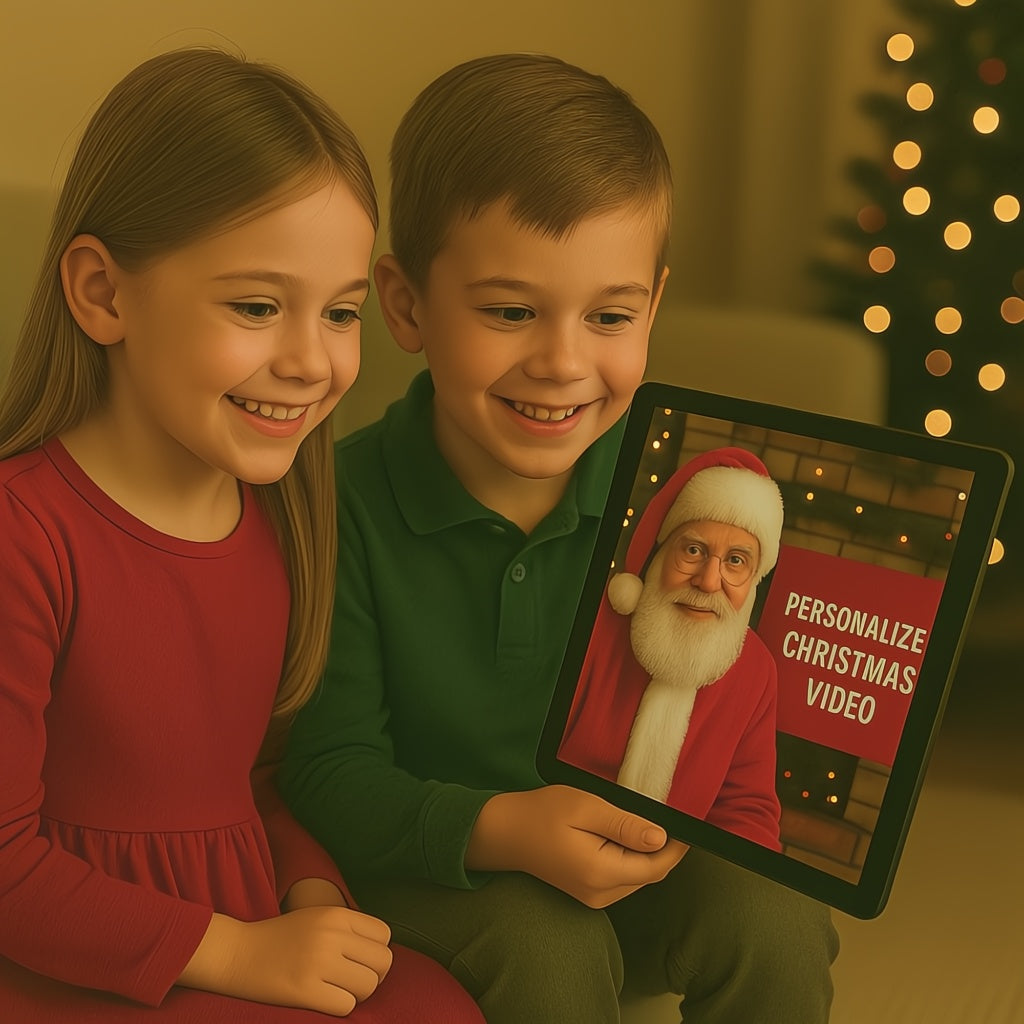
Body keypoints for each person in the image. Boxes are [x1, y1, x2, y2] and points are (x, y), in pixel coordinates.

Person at [280, 53, 838, 1024]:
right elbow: (328, 774)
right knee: (547, 946)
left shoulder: (684, 504)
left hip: (643, 855)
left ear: (653, 306)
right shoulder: (339, 502)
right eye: (510, 311)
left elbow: (738, 705)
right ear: (406, 306)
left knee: (777, 916)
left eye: (609, 316)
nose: (563, 362)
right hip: (442, 873)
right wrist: (503, 829)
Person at [0, 48, 483, 1023]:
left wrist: (308, 891)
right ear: (102, 293)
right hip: (73, 957)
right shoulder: (23, 535)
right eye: (257, 306)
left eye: (341, 312)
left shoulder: (287, 518)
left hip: (245, 922)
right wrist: (238, 953)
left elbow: (258, 778)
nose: (310, 360)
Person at [559, 446, 785, 850]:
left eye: (735, 561)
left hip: (674, 867)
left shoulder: (756, 670)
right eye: (694, 550)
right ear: (659, 554)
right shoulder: (592, 621)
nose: (709, 581)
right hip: (555, 840)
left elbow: (747, 811)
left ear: (755, 580)